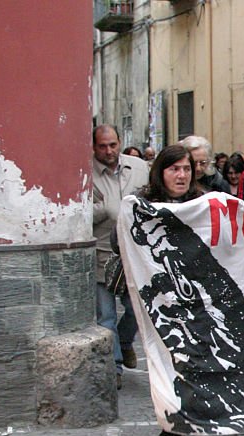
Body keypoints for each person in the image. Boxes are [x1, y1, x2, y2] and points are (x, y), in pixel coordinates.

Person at [135, 145, 208, 436]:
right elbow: (121, 240)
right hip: (160, 301)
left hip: (195, 299)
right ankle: (173, 420)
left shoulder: (201, 204)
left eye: (186, 169)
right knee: (166, 362)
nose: (181, 175)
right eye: (174, 169)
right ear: (161, 172)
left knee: (194, 364)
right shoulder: (141, 205)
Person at [92, 124, 149, 388]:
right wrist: (105, 210)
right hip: (101, 254)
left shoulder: (138, 167)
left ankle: (125, 342)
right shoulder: (85, 172)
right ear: (94, 147)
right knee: (106, 317)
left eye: (113, 145)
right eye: (102, 146)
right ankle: (114, 368)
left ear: (120, 142)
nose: (108, 151)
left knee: (139, 310)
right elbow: (78, 214)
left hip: (134, 255)